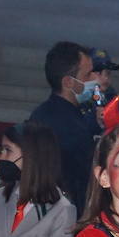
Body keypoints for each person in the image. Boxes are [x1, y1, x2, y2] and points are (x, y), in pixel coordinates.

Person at [30, 42, 99, 211]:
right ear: (69, 82)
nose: (95, 79)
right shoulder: (69, 126)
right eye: (88, 74)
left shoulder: (43, 113)